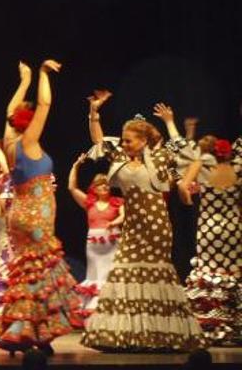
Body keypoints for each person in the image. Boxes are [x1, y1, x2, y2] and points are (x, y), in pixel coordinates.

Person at [80, 92, 207, 352]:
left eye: (129, 141)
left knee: (155, 274)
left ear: (142, 141)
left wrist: (171, 123)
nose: (125, 144)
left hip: (157, 225)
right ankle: (129, 334)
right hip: (133, 225)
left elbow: (187, 151)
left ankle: (159, 335)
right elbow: (99, 140)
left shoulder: (160, 158)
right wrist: (94, 113)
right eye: (124, 141)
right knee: (126, 273)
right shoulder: (119, 159)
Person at [0, 61, 81, 356]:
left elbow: (10, 109)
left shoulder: (9, 141)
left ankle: (22, 330)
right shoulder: (29, 140)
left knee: (27, 274)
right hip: (36, 215)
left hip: (18, 214)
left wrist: (23, 80)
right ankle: (36, 334)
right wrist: (41, 75)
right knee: (42, 273)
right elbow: (45, 102)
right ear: (29, 122)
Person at [177, 133, 241, 346]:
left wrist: (188, 203)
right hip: (233, 227)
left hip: (208, 227)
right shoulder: (237, 170)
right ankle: (234, 328)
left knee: (209, 273)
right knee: (232, 273)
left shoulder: (203, 167)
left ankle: (210, 326)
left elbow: (183, 186)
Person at [67, 155, 124, 319]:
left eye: (106, 184)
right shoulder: (89, 203)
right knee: (96, 273)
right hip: (94, 243)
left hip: (112, 240)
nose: (104, 187)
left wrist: (114, 223)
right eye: (100, 185)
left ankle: (112, 305)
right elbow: (72, 188)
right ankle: (95, 306)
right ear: (94, 188)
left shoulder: (117, 202)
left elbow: (123, 216)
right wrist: (76, 166)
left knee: (111, 272)